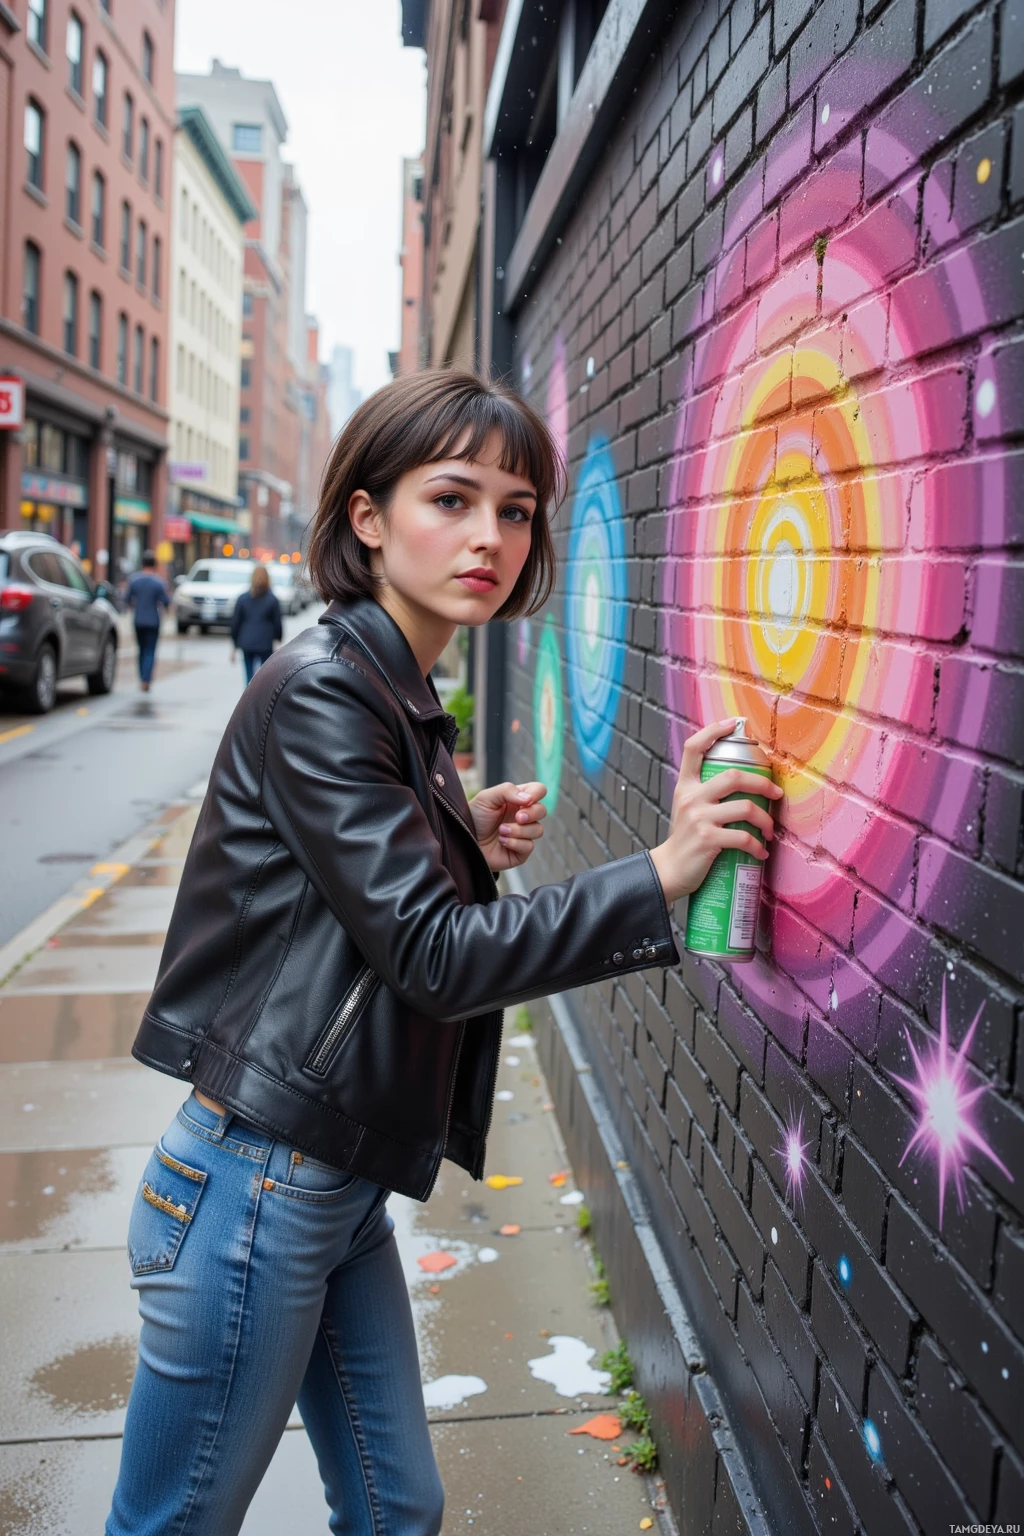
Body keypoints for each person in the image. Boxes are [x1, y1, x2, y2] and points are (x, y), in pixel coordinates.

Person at [107, 371, 781, 1536]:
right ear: (367, 517)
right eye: (453, 498)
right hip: (256, 1183)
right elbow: (431, 955)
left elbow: (341, 911)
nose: (490, 537)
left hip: (327, 1178)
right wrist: (661, 874)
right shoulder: (331, 692)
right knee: (172, 1524)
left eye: (516, 510)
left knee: (394, 1506)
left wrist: (457, 838)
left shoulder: (393, 690)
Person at [230, 562, 283, 683]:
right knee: (264, 677)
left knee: (249, 677)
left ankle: (249, 700)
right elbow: (277, 623)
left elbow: (235, 623)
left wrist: (234, 644)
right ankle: (262, 700)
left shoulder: (243, 599)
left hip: (247, 642)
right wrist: (277, 639)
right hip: (265, 643)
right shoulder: (272, 600)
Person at [125, 551, 170, 692]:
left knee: (141, 649)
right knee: (150, 650)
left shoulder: (134, 580)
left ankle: (142, 677)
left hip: (138, 620)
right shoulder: (159, 583)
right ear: (155, 565)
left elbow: (126, 599)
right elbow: (167, 602)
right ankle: (146, 679)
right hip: (153, 621)